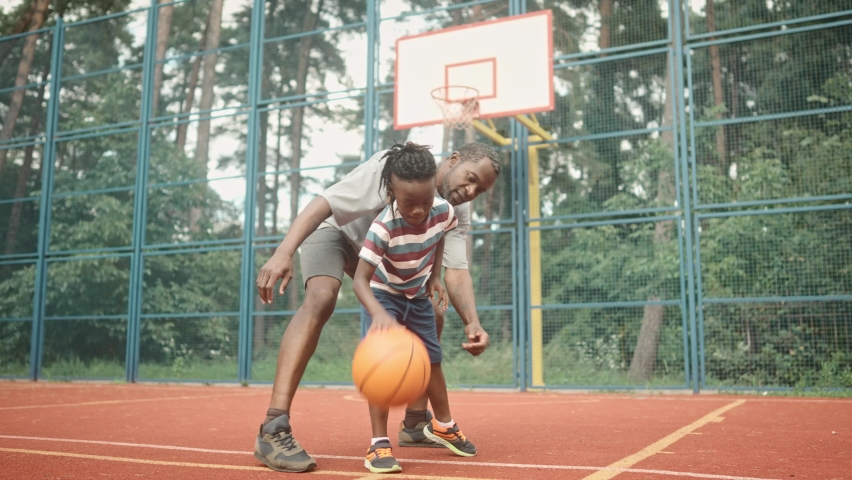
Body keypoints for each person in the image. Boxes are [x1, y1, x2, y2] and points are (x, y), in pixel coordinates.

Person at [253, 140, 501, 473]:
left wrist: (472, 321)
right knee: (322, 296)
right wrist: (283, 251)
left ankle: (415, 422)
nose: (470, 190)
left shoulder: (454, 210)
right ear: (453, 159)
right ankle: (274, 426)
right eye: (470, 177)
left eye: (480, 189)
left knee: (433, 312)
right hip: (337, 232)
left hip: (380, 257)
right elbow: (324, 204)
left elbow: (455, 270)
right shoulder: (391, 168)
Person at [353, 143, 476, 473]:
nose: (419, 211)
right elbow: (360, 281)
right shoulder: (383, 227)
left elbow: (438, 237)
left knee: (432, 359)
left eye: (425, 202)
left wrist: (434, 276)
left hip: (416, 296)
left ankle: (443, 424)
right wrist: (379, 314)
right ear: (392, 192)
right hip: (382, 295)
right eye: (409, 203)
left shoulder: (443, 211)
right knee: (380, 366)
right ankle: (378, 444)